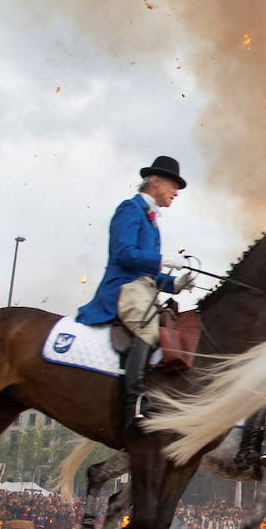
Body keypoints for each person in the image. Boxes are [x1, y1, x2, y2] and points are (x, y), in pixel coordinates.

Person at [77, 156, 193, 431]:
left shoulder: (152, 219)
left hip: (143, 287)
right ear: (154, 180)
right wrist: (162, 259)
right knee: (148, 329)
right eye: (173, 185)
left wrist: (175, 283)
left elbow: (149, 274)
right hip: (124, 287)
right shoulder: (130, 209)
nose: (176, 192)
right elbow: (124, 254)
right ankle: (136, 400)